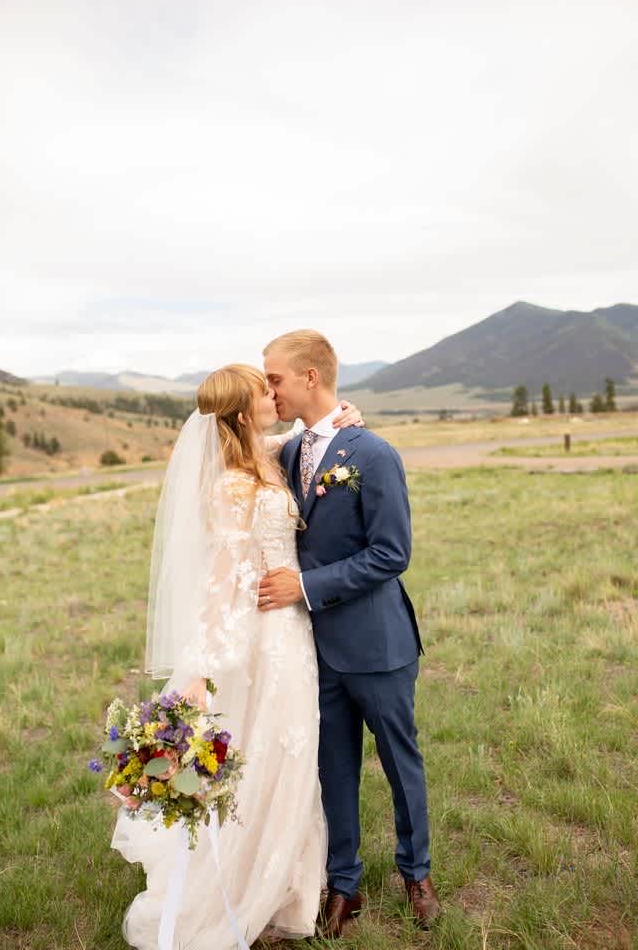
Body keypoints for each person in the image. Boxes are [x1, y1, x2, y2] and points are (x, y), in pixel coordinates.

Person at [110, 364, 362, 949]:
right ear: (245, 411)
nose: (274, 396)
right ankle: (247, 885)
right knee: (270, 753)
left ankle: (290, 883)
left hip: (293, 628)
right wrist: (200, 668)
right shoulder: (230, 485)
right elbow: (221, 581)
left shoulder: (261, 456)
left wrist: (340, 419)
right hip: (264, 635)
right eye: (263, 392)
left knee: (292, 756)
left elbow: (299, 440)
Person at [259, 330, 440, 936]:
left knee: (399, 763)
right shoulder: (289, 452)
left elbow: (392, 553)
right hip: (314, 651)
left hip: (377, 644)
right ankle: (344, 883)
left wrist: (304, 587)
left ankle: (417, 873)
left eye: (276, 379)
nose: (269, 391)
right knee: (332, 768)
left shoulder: (375, 454)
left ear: (310, 377)